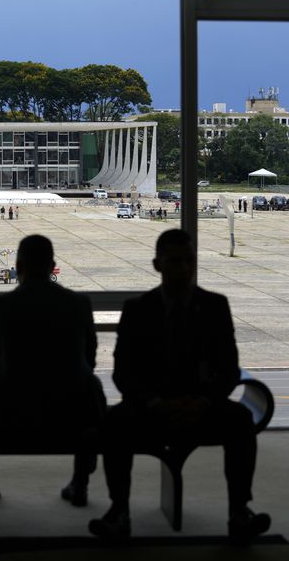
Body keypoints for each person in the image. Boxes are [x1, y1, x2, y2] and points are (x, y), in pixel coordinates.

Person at [89, 229, 270, 542]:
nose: (184, 269)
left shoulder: (215, 306)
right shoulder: (138, 309)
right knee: (114, 423)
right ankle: (119, 509)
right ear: (157, 265)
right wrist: (155, 403)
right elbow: (123, 372)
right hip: (154, 407)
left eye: (189, 261)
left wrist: (203, 401)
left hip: (199, 406)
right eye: (175, 262)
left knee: (240, 420)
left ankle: (239, 511)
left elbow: (228, 368)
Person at [0, 235, 105, 508]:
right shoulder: (79, 303)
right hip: (69, 410)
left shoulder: (1, 305)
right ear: (53, 266)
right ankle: (81, 482)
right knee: (92, 386)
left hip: (11, 410)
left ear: (18, 265)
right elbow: (89, 360)